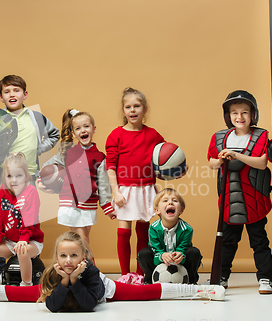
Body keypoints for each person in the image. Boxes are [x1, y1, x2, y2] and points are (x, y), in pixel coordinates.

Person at [0, 231, 225, 307]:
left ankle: (204, 290)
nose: (68, 261)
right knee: (14, 294)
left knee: (147, 292)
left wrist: (75, 277)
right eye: (63, 256)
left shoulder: (91, 274)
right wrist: (63, 282)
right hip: (66, 287)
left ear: (84, 256)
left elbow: (88, 304)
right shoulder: (53, 274)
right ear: (56, 258)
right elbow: (54, 306)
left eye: (74, 255)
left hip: (100, 291)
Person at [0, 75, 59, 271]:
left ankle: (27, 266)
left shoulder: (35, 117)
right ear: (1, 97)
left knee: (27, 221)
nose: (12, 94)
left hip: (28, 177)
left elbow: (54, 134)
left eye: (16, 90)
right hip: (1, 178)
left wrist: (37, 149)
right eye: (7, 92)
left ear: (25, 94)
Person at [207, 90, 272, 294]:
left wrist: (237, 155)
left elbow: (262, 162)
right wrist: (222, 158)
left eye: (245, 112)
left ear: (253, 114)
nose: (239, 117)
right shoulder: (220, 137)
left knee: (259, 240)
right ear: (228, 115)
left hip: (253, 197)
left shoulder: (261, 135)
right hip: (230, 199)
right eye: (234, 112)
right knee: (228, 241)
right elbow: (212, 163)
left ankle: (265, 278)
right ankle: (221, 278)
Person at [37, 109, 116, 262]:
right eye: (78, 128)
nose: (83, 131)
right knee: (83, 237)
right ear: (73, 133)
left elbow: (104, 184)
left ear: (94, 129)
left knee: (84, 238)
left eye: (86, 126)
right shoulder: (68, 153)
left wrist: (106, 206)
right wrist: (42, 182)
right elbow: (47, 168)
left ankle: (83, 270)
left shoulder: (100, 157)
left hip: (88, 205)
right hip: (70, 204)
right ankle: (91, 270)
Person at [105, 87, 166, 278]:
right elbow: (110, 167)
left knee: (143, 232)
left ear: (144, 109)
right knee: (124, 231)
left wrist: (177, 169)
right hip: (124, 189)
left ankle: (141, 274)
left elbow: (163, 159)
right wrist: (115, 192)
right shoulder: (116, 135)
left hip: (146, 188)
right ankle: (125, 274)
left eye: (137, 106)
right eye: (128, 107)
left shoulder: (153, 135)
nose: (132, 110)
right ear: (123, 110)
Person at [0, 152, 44, 286]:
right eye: (9, 176)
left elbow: (29, 221)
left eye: (18, 176)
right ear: (4, 177)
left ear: (26, 176)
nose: (13, 180)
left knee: (22, 250)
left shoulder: (31, 191)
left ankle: (26, 284)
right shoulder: (1, 190)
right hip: (10, 241)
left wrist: (23, 240)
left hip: (31, 240)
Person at [138, 188, 202, 284]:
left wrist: (181, 256)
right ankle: (149, 280)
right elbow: (155, 249)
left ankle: (191, 281)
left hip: (180, 264)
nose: (170, 203)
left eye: (175, 201)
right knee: (144, 253)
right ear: (157, 210)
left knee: (194, 252)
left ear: (181, 210)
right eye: (165, 200)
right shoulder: (154, 228)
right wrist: (162, 255)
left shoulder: (187, 229)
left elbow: (183, 248)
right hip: (158, 261)